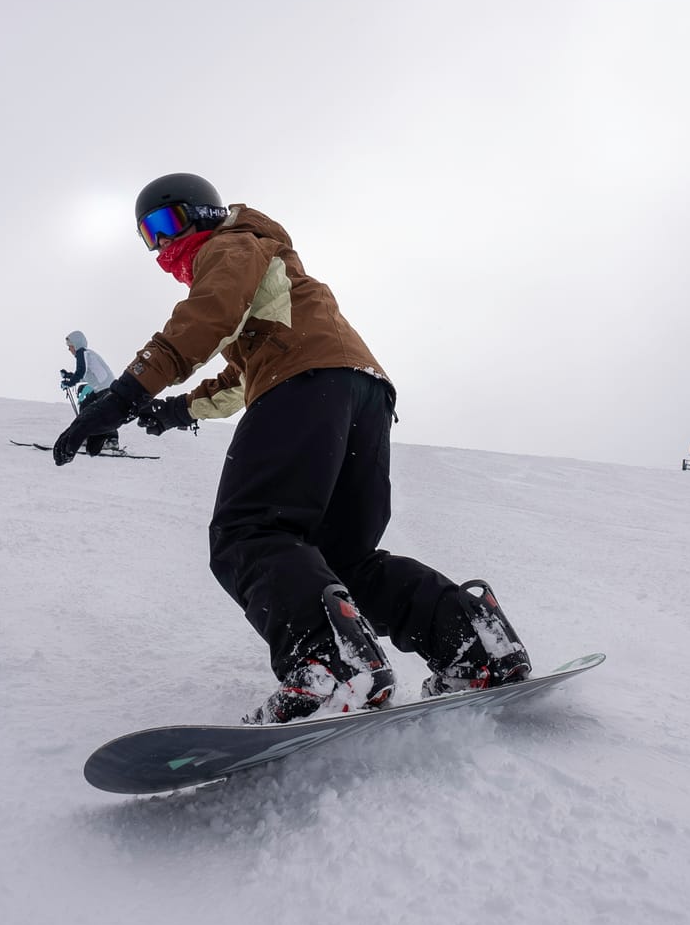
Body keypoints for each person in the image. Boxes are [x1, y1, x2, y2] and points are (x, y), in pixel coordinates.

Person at [52, 173, 532, 724]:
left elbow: (206, 317)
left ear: (204, 214)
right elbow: (236, 378)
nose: (162, 245)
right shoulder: (273, 276)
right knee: (343, 562)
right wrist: (176, 410)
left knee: (248, 532)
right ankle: (474, 645)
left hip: (306, 384)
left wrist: (124, 394)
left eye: (166, 224)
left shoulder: (230, 244)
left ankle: (332, 671)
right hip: (361, 392)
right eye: (148, 236)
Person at [59, 330, 121, 457]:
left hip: (106, 388)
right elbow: (85, 376)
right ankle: (86, 435)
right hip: (102, 389)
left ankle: (112, 441)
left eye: (70, 346)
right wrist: (69, 377)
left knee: (105, 413)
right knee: (86, 407)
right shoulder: (85, 355)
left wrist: (70, 383)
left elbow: (81, 372)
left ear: (76, 344)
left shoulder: (83, 353)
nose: (69, 349)